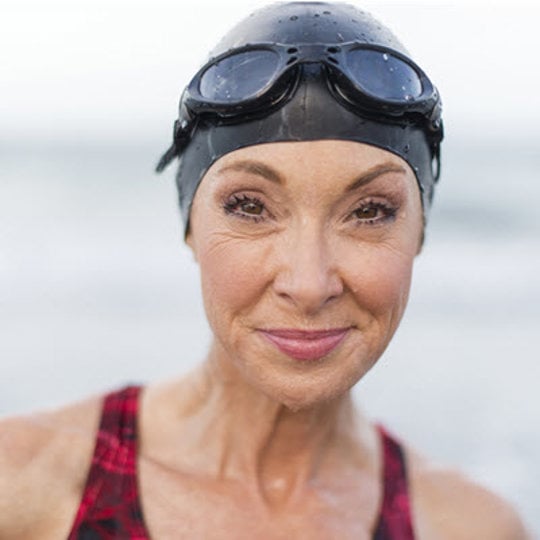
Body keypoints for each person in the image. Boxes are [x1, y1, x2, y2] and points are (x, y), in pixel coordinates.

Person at [0, 2, 530, 538]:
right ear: (190, 224)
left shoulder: (468, 526)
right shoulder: (24, 485)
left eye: (370, 212)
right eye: (250, 206)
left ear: (418, 232)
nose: (307, 284)